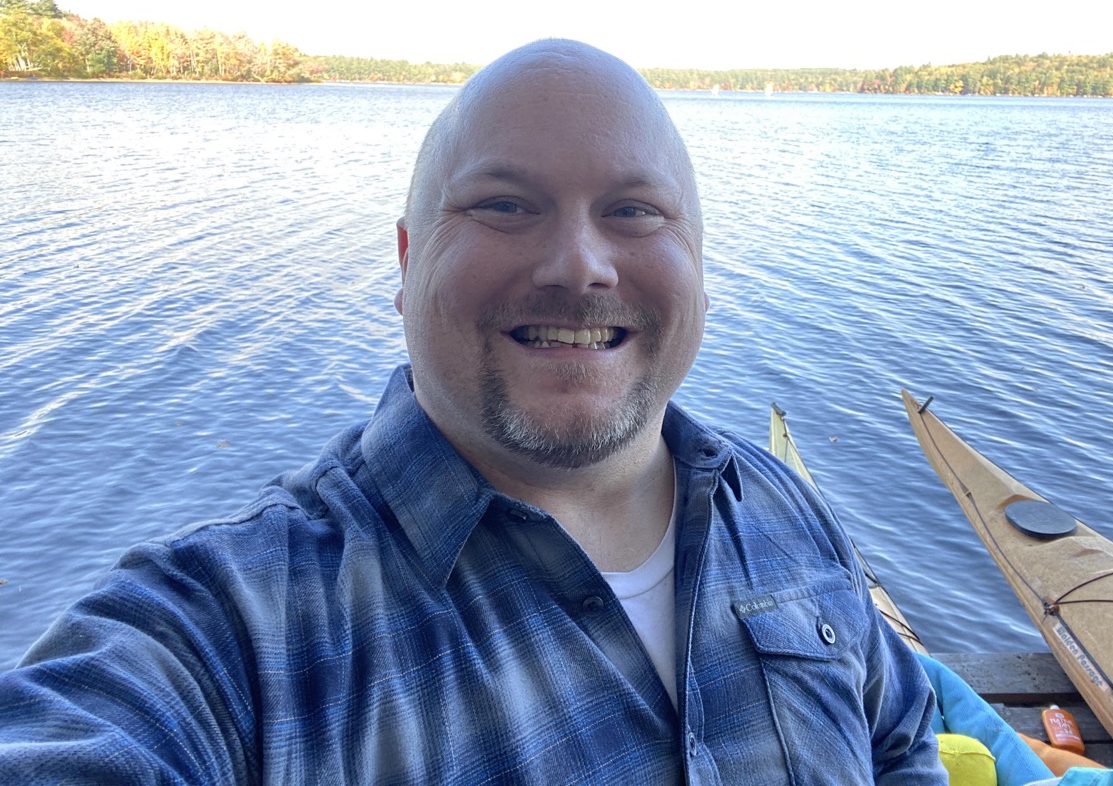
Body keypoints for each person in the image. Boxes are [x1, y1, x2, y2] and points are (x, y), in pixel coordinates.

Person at [0, 39, 946, 783]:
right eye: (504, 205)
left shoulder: (780, 507)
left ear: (698, 261)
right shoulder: (235, 631)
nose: (579, 265)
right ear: (408, 262)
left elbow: (899, 740)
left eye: (633, 211)